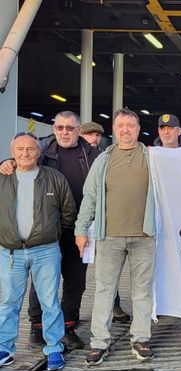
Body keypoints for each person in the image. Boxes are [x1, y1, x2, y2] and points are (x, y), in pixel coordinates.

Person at [0, 111, 101, 351]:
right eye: (60, 127)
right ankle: (37, 327)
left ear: (79, 130)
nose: (64, 132)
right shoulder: (42, 148)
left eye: (70, 128)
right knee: (41, 283)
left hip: (81, 227)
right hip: (44, 228)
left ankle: (67, 326)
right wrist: (5, 162)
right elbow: (21, 160)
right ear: (54, 128)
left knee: (76, 279)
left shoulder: (93, 154)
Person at [75, 108, 157, 365]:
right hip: (108, 236)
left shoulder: (152, 157)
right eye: (120, 125)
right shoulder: (103, 160)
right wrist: (80, 229)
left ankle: (140, 339)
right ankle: (99, 343)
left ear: (137, 127)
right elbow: (90, 197)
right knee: (104, 290)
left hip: (144, 236)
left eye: (130, 125)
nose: (125, 130)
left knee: (142, 291)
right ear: (114, 129)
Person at [0, 132, 76, 370]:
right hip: (10, 252)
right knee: (8, 302)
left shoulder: (54, 178)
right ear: (12, 152)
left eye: (30, 149)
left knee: (50, 301)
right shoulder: (3, 177)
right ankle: (4, 348)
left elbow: (68, 213)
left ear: (39, 152)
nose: (25, 153)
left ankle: (54, 347)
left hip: (46, 251)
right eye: (20, 149)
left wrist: (49, 233)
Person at [80, 121, 131, 324]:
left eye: (97, 135)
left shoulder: (105, 156)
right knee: (74, 273)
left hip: (102, 221)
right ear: (80, 134)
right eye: (89, 135)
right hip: (76, 219)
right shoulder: (65, 154)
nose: (94, 138)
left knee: (107, 271)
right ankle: (69, 316)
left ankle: (114, 306)